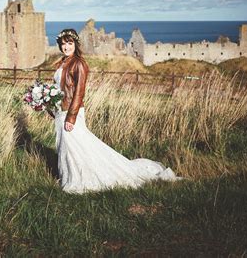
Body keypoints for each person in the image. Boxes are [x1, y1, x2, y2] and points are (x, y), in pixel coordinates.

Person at [52, 28, 179, 194]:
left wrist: (72, 116)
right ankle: (70, 175)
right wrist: (48, 102)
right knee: (68, 148)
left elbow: (79, 92)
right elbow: (58, 88)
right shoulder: (62, 62)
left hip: (71, 112)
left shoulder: (79, 64)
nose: (66, 47)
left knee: (80, 146)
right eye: (63, 44)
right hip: (61, 111)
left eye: (69, 43)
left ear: (75, 44)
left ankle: (83, 178)